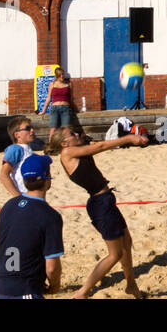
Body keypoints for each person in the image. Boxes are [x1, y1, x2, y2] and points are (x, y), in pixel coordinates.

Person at [50, 124, 148, 298]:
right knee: (115, 254)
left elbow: (93, 145)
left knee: (127, 241)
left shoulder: (78, 149)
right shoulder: (67, 154)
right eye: (72, 134)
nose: (77, 134)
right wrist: (129, 138)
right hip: (100, 204)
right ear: (64, 143)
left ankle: (131, 285)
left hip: (105, 201)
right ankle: (83, 292)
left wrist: (82, 137)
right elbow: (101, 146)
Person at [0, 154, 63, 299]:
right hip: (22, 290)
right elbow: (52, 268)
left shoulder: (8, 206)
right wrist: (55, 285)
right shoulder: (50, 216)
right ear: (48, 178)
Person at [0, 116, 37, 197]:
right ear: (17, 134)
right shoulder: (15, 149)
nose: (32, 130)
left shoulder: (29, 150)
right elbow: (3, 175)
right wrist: (18, 197)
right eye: (28, 128)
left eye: (32, 127)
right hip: (23, 194)